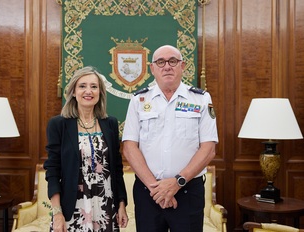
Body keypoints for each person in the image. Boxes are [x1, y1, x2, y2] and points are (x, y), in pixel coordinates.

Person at [122, 45, 218, 232]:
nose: (167, 66)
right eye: (161, 62)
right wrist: (156, 188)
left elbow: (208, 149)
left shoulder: (201, 99)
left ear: (182, 66)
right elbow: (129, 148)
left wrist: (177, 182)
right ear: (152, 68)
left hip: (187, 192)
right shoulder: (139, 100)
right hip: (149, 193)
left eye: (173, 61)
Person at [44, 66, 128, 232]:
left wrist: (121, 204)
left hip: (105, 207)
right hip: (73, 208)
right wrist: (57, 212)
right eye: (82, 86)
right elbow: (52, 170)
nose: (88, 91)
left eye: (94, 86)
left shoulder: (110, 123)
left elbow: (117, 170)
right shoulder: (58, 124)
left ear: (100, 92)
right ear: (74, 91)